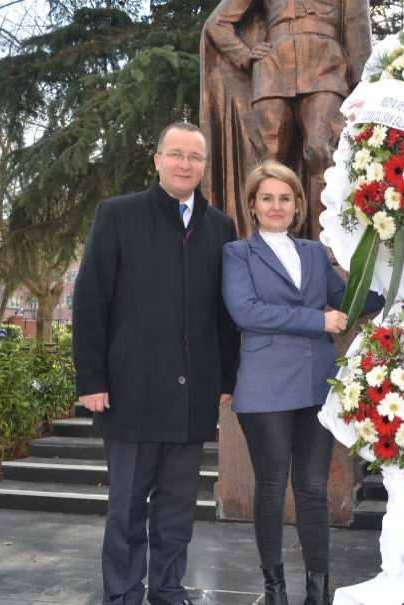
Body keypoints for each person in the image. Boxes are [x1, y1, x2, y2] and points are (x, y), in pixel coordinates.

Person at [72, 122, 240, 605]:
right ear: (158, 160)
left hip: (193, 398)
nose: (186, 164)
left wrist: (225, 377)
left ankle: (168, 588)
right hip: (130, 392)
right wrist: (91, 378)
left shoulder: (220, 227)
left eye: (195, 157)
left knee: (177, 507)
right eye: (177, 154)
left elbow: (226, 314)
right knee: (126, 507)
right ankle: (123, 593)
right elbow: (90, 302)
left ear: (204, 167)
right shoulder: (118, 215)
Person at [221, 161, 382, 605]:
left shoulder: (314, 253)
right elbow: (246, 312)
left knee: (312, 488)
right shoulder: (238, 254)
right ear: (252, 205)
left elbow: (347, 300)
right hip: (265, 387)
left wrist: (398, 286)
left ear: (297, 206)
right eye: (267, 198)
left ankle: (317, 591)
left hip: (316, 386)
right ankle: (275, 589)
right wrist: (317, 320)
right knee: (272, 486)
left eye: (285, 198)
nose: (277, 206)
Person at [202, 0, 371, 238]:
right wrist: (244, 54)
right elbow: (217, 24)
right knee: (269, 164)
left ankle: (326, 244)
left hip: (326, 65)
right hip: (273, 68)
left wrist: (363, 88)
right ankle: (266, 246)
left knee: (321, 151)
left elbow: (357, 29)